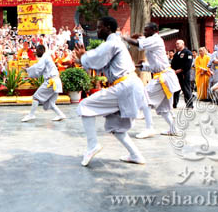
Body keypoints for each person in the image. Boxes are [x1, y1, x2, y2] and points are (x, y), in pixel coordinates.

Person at [73, 16, 148, 166]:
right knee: (117, 127)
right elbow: (100, 63)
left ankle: (92, 145)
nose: (97, 30)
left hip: (125, 87)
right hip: (129, 85)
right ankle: (136, 155)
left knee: (84, 106)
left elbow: (95, 58)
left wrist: (83, 58)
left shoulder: (112, 43)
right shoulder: (115, 43)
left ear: (108, 28)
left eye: (100, 27)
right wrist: (84, 59)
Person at [123, 22, 181, 138]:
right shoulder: (153, 41)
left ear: (153, 30)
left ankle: (150, 128)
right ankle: (174, 129)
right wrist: (141, 66)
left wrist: (124, 38)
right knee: (164, 109)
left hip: (163, 78)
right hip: (163, 77)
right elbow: (155, 66)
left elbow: (139, 43)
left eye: (146, 30)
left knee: (145, 99)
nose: (144, 32)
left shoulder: (155, 39)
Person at [21, 44, 66, 122]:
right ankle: (60, 114)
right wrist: (30, 68)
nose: (36, 52)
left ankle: (31, 115)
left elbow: (38, 68)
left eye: (37, 51)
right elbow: (40, 70)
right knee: (51, 103)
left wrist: (28, 69)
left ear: (41, 50)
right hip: (56, 81)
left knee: (35, 97)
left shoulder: (45, 57)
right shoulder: (46, 58)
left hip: (51, 82)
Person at [171, 40, 193, 108]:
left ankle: (189, 105)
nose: (176, 45)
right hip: (176, 74)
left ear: (183, 44)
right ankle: (174, 104)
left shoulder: (188, 53)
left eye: (178, 43)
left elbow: (188, 64)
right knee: (176, 89)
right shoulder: (176, 54)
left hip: (184, 74)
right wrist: (173, 70)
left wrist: (180, 70)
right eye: (176, 44)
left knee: (186, 89)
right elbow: (173, 64)